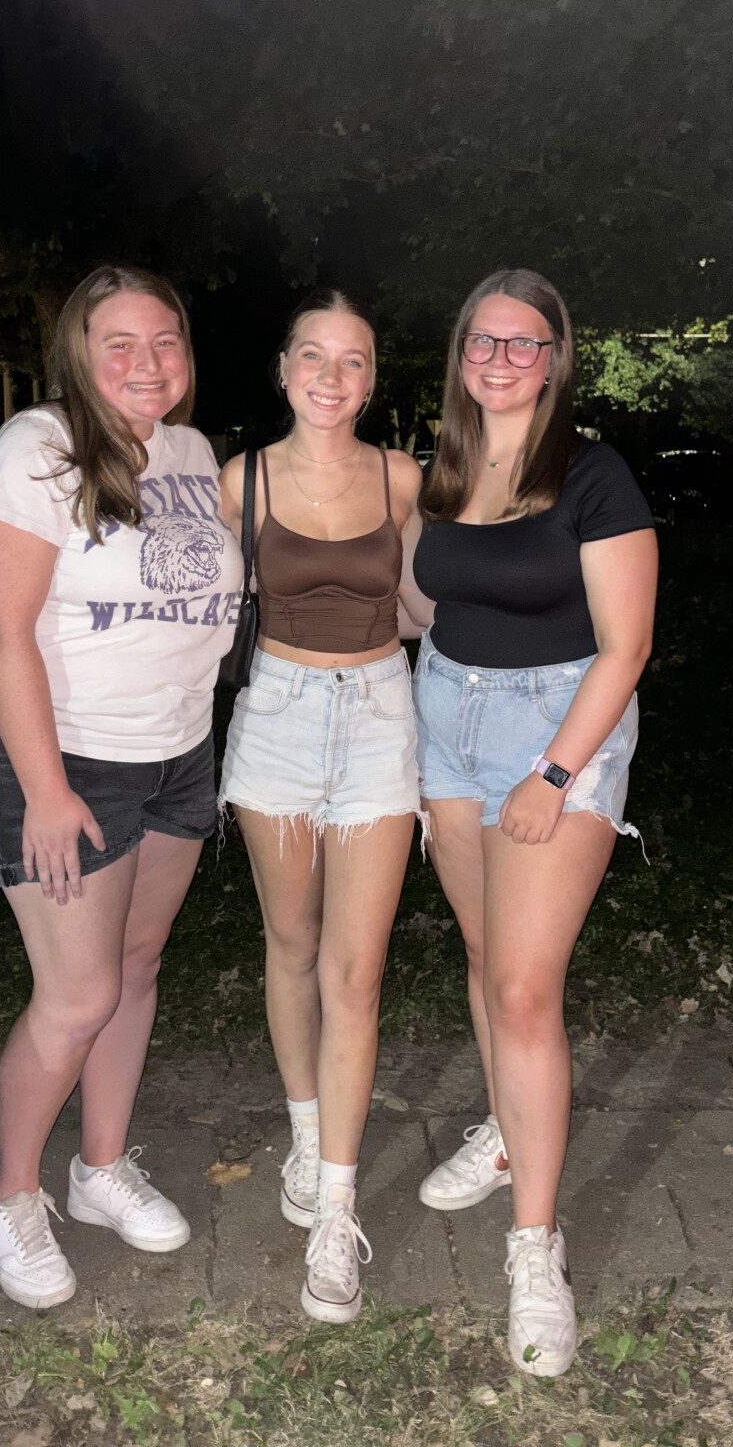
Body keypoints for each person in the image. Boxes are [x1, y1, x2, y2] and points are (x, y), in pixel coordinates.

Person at [0, 265, 242, 1308]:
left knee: (134, 966)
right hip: (62, 760)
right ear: (78, 352)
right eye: (118, 342)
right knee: (77, 995)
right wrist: (43, 790)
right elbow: (4, 634)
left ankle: (101, 1167)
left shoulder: (189, 451)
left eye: (165, 340)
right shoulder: (35, 451)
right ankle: (10, 1192)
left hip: (177, 751)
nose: (146, 362)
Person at [399, 268, 657, 1376]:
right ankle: (508, 1133)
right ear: (461, 355)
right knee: (482, 955)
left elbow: (627, 645)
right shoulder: (445, 469)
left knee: (522, 987)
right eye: (483, 341)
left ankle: (536, 1247)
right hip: (444, 721)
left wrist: (555, 773)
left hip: (557, 728)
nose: (499, 360)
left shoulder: (593, 475)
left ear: (554, 359)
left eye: (523, 343)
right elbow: (423, 604)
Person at [217, 290, 424, 1324]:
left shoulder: (403, 477)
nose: (332, 376)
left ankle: (337, 1210)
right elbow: (200, 605)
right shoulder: (240, 480)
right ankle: (306, 1133)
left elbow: (427, 606)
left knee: (357, 971)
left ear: (372, 380)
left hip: (382, 717)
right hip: (279, 718)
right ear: (284, 367)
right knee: (291, 943)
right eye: (314, 355)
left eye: (353, 361)